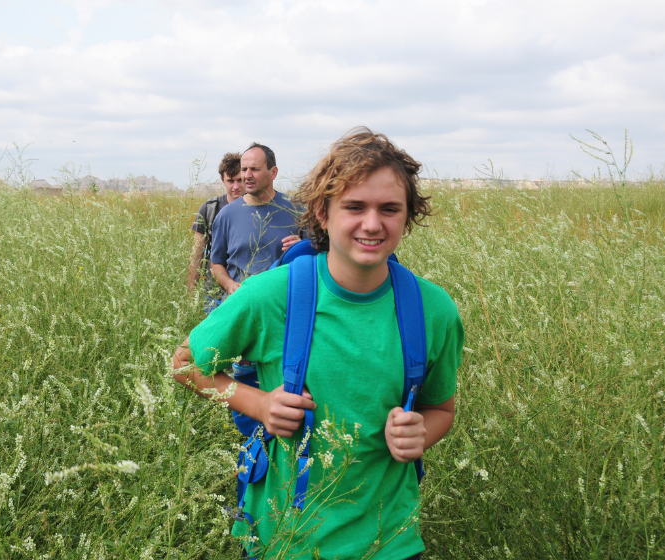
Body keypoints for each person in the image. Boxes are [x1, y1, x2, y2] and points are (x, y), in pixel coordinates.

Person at [172, 128, 464, 559]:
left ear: (407, 216)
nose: (372, 223)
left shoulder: (433, 309)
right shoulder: (271, 295)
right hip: (284, 539)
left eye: (389, 208)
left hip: (391, 542)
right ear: (321, 214)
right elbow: (183, 363)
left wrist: (422, 433)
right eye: (353, 207)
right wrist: (259, 405)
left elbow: (441, 409)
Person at [209, 143, 301, 298]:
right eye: (244, 169)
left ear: (273, 172)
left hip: (282, 304)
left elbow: (319, 256)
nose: (247, 175)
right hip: (241, 304)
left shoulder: (297, 209)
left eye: (254, 169)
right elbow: (216, 264)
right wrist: (230, 285)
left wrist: (302, 247)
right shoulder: (226, 215)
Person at [187, 152, 245, 311]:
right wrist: (192, 296)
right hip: (212, 292)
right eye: (230, 181)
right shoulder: (209, 208)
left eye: (240, 180)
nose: (236, 186)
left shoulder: (255, 207)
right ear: (222, 180)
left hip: (244, 289)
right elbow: (197, 255)